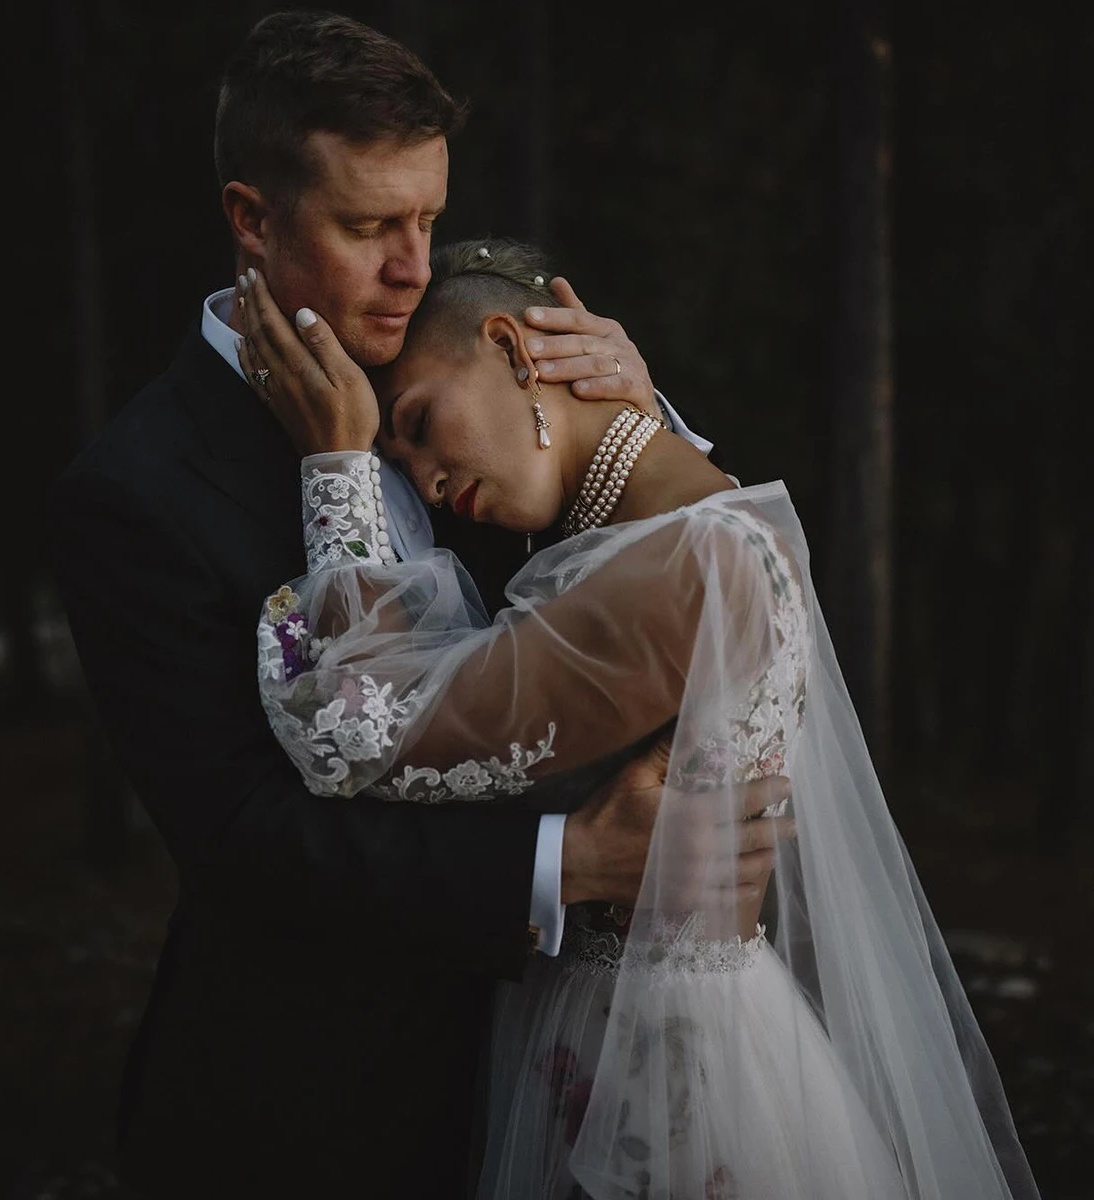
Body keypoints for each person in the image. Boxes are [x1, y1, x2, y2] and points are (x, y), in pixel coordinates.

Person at [48, 13, 787, 1197]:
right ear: (252, 218)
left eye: (428, 220)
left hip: (551, 1079)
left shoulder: (454, 368)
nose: (411, 267)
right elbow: (245, 840)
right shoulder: (136, 491)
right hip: (311, 1111)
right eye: (367, 226)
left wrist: (632, 418)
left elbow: (670, 587)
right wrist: (569, 862)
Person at [239, 238, 1041, 1199]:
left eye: (415, 424)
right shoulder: (676, 530)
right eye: (389, 458)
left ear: (513, 347)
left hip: (667, 1076)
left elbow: (361, 731)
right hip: (610, 1033)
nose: (416, 477)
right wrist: (641, 411)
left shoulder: (688, 565)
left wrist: (336, 466)